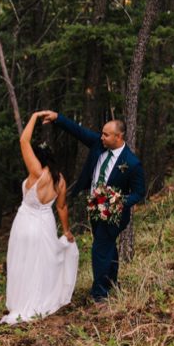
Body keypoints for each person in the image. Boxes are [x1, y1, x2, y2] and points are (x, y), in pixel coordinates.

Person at [36, 110, 147, 302]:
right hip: (95, 207)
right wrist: (57, 118)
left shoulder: (132, 163)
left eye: (106, 134)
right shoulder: (99, 144)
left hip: (115, 213)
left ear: (118, 137)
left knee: (99, 248)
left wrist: (118, 201)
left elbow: (139, 192)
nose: (101, 137)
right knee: (107, 246)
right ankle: (112, 283)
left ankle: (99, 295)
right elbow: (78, 131)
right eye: (102, 133)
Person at [1, 112, 80, 324]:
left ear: (37, 157)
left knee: (21, 263)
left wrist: (35, 116)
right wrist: (66, 231)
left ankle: (21, 303)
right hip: (45, 224)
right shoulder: (60, 180)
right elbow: (62, 207)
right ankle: (38, 301)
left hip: (25, 223)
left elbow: (23, 140)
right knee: (41, 265)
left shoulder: (35, 172)